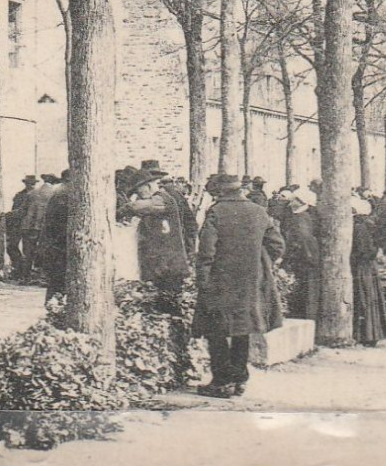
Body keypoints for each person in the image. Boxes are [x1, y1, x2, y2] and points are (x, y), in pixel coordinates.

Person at [193, 173, 285, 397]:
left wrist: (203, 280)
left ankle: (221, 382)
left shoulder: (216, 212)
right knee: (242, 330)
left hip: (221, 281)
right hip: (251, 282)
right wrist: (260, 263)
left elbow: (207, 252)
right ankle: (239, 379)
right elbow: (277, 245)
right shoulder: (258, 211)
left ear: (220, 192)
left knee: (217, 330)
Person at [124, 162, 191, 307]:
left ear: (147, 186)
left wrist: (123, 207)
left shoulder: (162, 199)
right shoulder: (157, 200)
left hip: (169, 267)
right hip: (162, 267)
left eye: (139, 191)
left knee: (170, 306)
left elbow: (136, 207)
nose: (139, 196)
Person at [350, 195, 386, 345]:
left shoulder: (360, 227)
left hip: (362, 268)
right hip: (366, 267)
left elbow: (365, 250)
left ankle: (366, 335)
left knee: (364, 298)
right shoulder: (366, 225)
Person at [280, 188, 321, 321]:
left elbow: (303, 241)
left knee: (308, 292)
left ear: (301, 202)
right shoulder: (300, 217)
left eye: (295, 200)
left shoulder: (301, 219)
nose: (291, 202)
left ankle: (308, 320)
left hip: (305, 261)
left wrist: (287, 261)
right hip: (304, 260)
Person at [39, 170, 71, 305]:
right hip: (61, 242)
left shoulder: (58, 194)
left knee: (56, 278)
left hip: (56, 242)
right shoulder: (64, 195)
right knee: (59, 277)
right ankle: (55, 307)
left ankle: (53, 306)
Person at [22, 173, 58, 285]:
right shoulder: (55, 194)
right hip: (44, 227)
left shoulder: (32, 193)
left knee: (28, 252)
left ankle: (26, 277)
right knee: (45, 251)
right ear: (54, 182)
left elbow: (23, 210)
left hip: (28, 226)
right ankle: (43, 277)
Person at [7, 174, 38, 281]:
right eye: (29, 183)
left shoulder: (37, 195)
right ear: (25, 183)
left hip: (32, 227)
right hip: (18, 225)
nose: (31, 185)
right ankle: (19, 269)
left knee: (29, 251)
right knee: (12, 247)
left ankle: (26, 274)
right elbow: (16, 209)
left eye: (32, 183)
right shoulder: (20, 195)